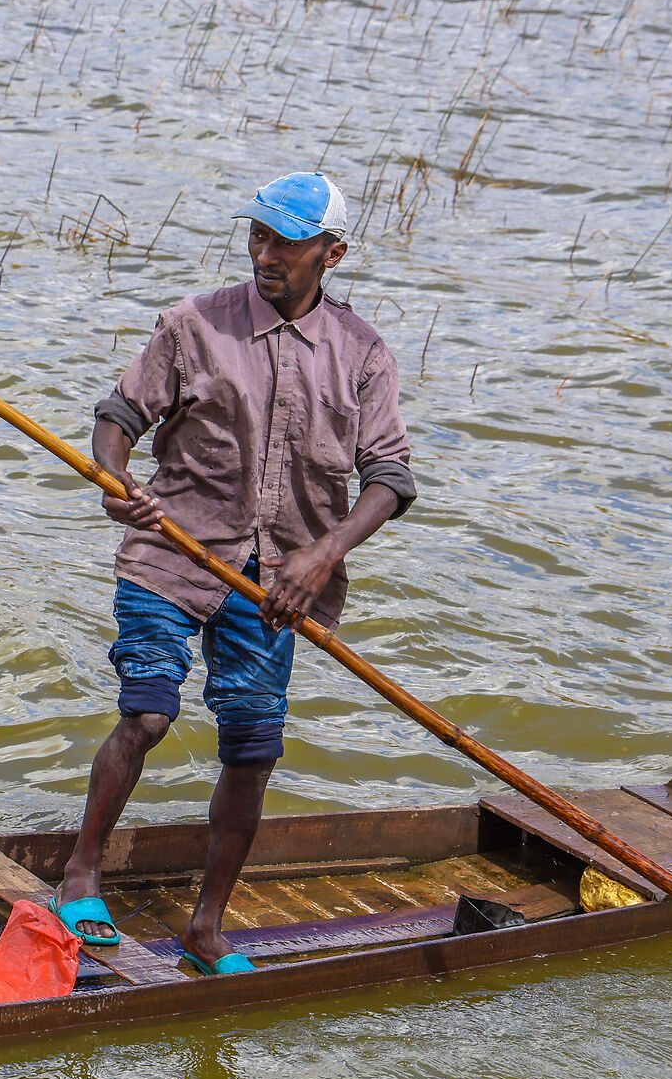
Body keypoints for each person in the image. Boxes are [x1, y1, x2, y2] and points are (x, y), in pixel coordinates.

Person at [54, 172, 416, 974]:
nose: (266, 255)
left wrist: (323, 553)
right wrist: (116, 481)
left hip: (278, 581)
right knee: (148, 712)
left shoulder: (362, 353)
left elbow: (390, 477)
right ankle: (80, 873)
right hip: (173, 550)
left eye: (287, 243)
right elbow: (119, 417)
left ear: (331, 254)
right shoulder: (195, 324)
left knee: (252, 750)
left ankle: (207, 928)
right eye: (259, 236)